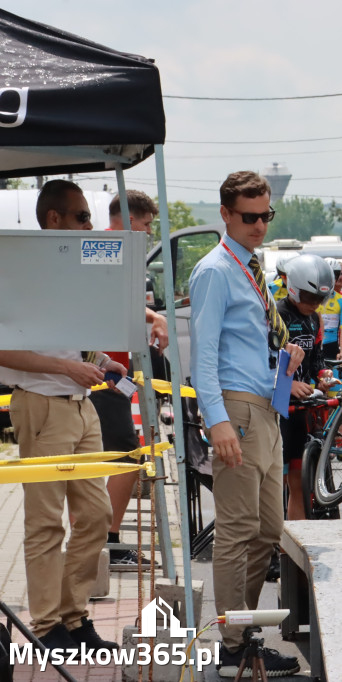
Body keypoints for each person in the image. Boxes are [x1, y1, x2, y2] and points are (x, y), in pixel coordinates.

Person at [0, 179, 126, 651]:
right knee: (46, 523)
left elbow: (68, 340)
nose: (89, 225)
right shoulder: (18, 273)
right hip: (42, 405)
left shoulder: (68, 272)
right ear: (53, 220)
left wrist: (97, 361)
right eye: (81, 216)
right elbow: (5, 351)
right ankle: (50, 623)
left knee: (95, 516)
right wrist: (68, 367)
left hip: (79, 404)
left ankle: (73, 617)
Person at [188, 171, 303, 677]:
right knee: (236, 532)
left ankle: (242, 632)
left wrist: (284, 367)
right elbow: (204, 356)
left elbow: (246, 342)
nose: (259, 225)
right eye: (249, 217)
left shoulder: (250, 266)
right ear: (226, 216)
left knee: (266, 530)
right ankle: (234, 642)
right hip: (236, 409)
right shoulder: (216, 270)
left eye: (265, 216)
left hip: (263, 407)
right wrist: (218, 422)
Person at [92, 190, 170, 570]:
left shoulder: (112, 249)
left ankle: (101, 542)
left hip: (108, 372)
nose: (148, 231)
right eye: (147, 224)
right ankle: (108, 543)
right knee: (125, 456)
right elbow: (114, 302)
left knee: (113, 457)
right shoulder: (111, 248)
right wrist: (155, 317)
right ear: (130, 220)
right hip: (102, 375)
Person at [276, 255, 335, 521]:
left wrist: (322, 375)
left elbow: (315, 360)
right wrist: (288, 384)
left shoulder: (315, 320)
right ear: (293, 289)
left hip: (301, 411)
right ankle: (275, 548)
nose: (313, 305)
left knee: (299, 483)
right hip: (277, 409)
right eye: (308, 298)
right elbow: (263, 362)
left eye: (319, 300)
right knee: (275, 485)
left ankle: (295, 552)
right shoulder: (276, 315)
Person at [317, 257, 342, 363]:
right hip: (314, 345)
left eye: (335, 276)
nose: (331, 280)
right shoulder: (312, 297)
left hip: (332, 347)